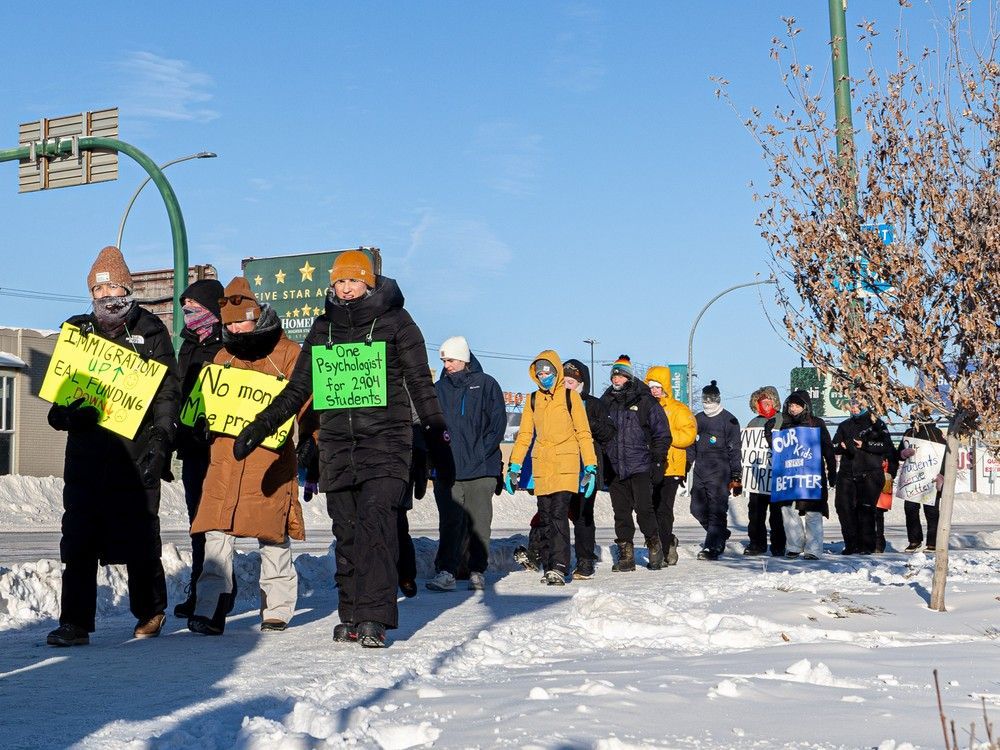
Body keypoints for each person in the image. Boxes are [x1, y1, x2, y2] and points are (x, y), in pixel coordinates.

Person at [232, 250, 445, 648]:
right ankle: (351, 613)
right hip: (337, 447)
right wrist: (260, 424)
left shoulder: (397, 322)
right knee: (346, 533)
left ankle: (374, 617)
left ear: (369, 282)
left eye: (354, 280)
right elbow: (298, 389)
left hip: (385, 443)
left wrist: (436, 438)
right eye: (340, 282)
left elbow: (420, 383)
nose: (346, 289)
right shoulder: (323, 328)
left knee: (376, 526)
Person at [46, 246, 179, 646]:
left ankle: (150, 610)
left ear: (128, 289)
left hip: (135, 455)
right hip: (86, 459)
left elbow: (167, 394)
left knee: (140, 538)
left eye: (114, 289)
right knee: (79, 541)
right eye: (99, 292)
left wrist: (161, 440)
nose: (107, 299)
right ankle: (75, 622)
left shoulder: (151, 332)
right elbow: (56, 409)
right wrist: (72, 417)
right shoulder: (78, 332)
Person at [187, 277, 307, 635]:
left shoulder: (289, 354)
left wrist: (312, 441)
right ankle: (210, 609)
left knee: (273, 535)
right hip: (225, 461)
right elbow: (205, 402)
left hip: (270, 461)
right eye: (229, 323)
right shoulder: (224, 356)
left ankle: (277, 608)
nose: (235, 328)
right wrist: (200, 423)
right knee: (216, 537)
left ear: (257, 316)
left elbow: (306, 405)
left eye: (241, 320)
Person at [506, 351, 597, 585]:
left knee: (558, 514)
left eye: (548, 371)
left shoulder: (570, 397)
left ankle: (559, 566)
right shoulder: (533, 399)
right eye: (540, 372)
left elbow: (583, 433)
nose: (544, 375)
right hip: (542, 466)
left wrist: (590, 466)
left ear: (556, 372)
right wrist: (514, 466)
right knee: (545, 516)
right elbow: (525, 435)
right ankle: (548, 565)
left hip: (566, 463)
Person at [426, 336, 506, 593]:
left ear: (463, 359)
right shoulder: (439, 389)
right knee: (450, 522)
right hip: (450, 470)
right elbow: (431, 427)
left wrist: (481, 452)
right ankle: (447, 571)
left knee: (479, 523)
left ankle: (477, 571)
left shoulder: (486, 385)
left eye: (450, 360)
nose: (446, 365)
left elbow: (497, 424)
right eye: (443, 361)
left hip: (481, 469)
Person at [171, 278, 226, 619]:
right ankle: (198, 588)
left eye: (195, 308)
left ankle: (218, 592)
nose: (189, 314)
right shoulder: (187, 345)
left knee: (217, 524)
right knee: (197, 522)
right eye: (186, 309)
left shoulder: (227, 344)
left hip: (219, 445)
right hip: (192, 445)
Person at [599, 355, 671, 572]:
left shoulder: (645, 401)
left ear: (628, 377)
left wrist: (658, 461)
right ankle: (626, 555)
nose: (616, 379)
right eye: (614, 375)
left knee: (644, 510)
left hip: (640, 464)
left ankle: (654, 546)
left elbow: (662, 434)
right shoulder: (605, 402)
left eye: (620, 375)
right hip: (614, 467)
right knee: (620, 513)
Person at [765, 391, 837, 559]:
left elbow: (828, 448)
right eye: (791, 406)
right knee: (789, 512)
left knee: (813, 513)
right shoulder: (785, 426)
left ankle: (813, 549)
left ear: (805, 406)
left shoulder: (816, 423)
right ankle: (794, 546)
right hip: (790, 476)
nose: (793, 409)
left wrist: (832, 471)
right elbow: (779, 451)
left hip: (812, 477)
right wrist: (769, 435)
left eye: (797, 405)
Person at [644, 366, 697, 567]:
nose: (654, 391)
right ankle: (661, 543)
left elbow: (689, 435)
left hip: (672, 466)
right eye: (651, 387)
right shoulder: (646, 407)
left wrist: (664, 437)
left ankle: (665, 547)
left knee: (664, 509)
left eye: (658, 387)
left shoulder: (679, 409)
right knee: (650, 507)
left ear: (666, 387)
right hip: (649, 465)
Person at [832, 396, 896, 555]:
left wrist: (865, 445)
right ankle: (851, 544)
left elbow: (886, 445)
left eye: (857, 405)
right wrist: (840, 447)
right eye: (851, 406)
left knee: (866, 511)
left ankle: (867, 546)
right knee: (844, 508)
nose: (853, 409)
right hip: (847, 473)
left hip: (870, 472)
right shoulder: (844, 425)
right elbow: (834, 445)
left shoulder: (877, 424)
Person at [687, 380, 742, 560]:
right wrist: (686, 465)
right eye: (706, 398)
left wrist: (736, 475)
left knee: (717, 510)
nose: (708, 401)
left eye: (712, 398)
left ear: (718, 398)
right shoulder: (698, 419)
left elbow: (735, 450)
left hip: (720, 471)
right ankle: (720, 533)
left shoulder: (729, 420)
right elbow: (691, 446)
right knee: (696, 508)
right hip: (700, 470)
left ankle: (713, 546)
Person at [742, 386, 787, 557]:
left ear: (774, 402)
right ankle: (757, 543)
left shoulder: (783, 420)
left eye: (769, 402)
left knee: (777, 514)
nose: (766, 406)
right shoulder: (753, 423)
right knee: (755, 513)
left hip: (777, 475)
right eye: (762, 403)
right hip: (757, 478)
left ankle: (778, 544)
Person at [897, 409, 946, 552]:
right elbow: (899, 453)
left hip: (931, 477)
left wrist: (941, 474)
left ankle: (933, 542)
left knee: (931, 511)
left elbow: (943, 454)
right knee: (910, 509)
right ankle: (914, 540)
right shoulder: (908, 432)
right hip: (912, 478)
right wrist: (903, 453)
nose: (914, 417)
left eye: (916, 414)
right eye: (912, 414)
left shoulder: (935, 432)